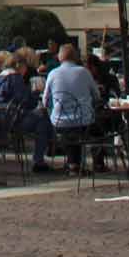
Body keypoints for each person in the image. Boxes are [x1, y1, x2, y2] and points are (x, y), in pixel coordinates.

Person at [33, 43, 98, 173]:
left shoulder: (52, 74)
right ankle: (78, 164)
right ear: (75, 57)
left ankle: (71, 163)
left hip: (59, 121)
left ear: (59, 57)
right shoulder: (84, 72)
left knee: (65, 127)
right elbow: (96, 95)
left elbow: (45, 100)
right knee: (84, 126)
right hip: (83, 121)